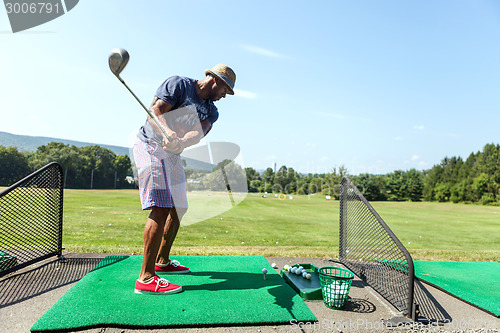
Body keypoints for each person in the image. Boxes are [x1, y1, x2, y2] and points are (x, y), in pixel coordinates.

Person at [132, 64, 236, 294]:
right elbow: (155, 112)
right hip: (151, 145)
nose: (223, 97)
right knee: (160, 205)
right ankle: (146, 278)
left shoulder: (212, 111)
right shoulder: (179, 84)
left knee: (179, 207)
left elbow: (198, 133)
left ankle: (162, 260)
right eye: (225, 91)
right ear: (215, 80)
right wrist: (167, 133)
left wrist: (181, 142)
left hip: (172, 153)